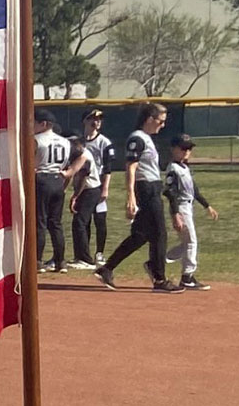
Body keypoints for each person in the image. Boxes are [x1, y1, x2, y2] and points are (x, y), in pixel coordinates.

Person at [96, 103, 176, 293]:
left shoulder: (146, 139)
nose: (162, 125)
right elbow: (131, 167)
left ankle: (106, 269)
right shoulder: (138, 138)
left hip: (152, 187)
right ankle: (159, 279)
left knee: (140, 235)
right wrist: (131, 195)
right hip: (145, 188)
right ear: (150, 119)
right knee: (159, 233)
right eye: (160, 121)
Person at [32, 110, 86, 274]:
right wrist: (70, 172)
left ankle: (38, 261)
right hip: (57, 180)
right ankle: (60, 261)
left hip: (41, 179)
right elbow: (83, 156)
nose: (32, 126)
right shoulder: (64, 141)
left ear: (44, 124)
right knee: (55, 223)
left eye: (34, 122)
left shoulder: (36, 140)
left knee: (40, 222)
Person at [163, 134, 219, 291]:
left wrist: (207, 206)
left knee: (187, 243)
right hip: (180, 208)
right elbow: (170, 193)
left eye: (189, 148)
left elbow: (194, 191)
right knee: (191, 242)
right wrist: (176, 214)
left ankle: (158, 261)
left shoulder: (185, 167)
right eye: (183, 148)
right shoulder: (173, 169)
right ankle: (187, 277)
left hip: (188, 207)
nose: (187, 151)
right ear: (174, 149)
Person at [71, 108, 115, 267]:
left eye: (99, 119)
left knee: (100, 219)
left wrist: (105, 188)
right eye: (92, 119)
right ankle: (84, 253)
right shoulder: (79, 141)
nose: (96, 122)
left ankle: (99, 253)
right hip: (84, 185)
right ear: (85, 121)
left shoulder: (104, 142)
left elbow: (108, 167)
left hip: (97, 184)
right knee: (84, 220)